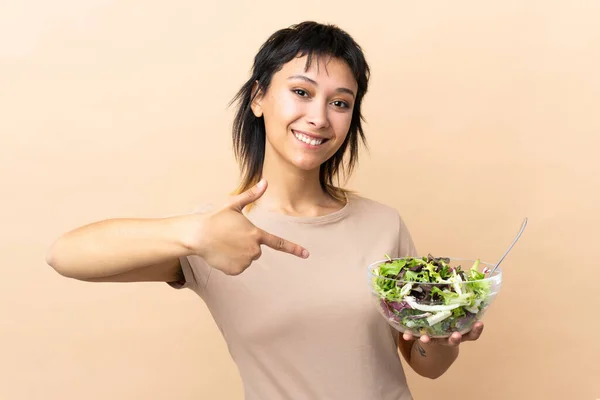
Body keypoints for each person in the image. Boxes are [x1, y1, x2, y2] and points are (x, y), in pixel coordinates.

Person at [46, 21, 484, 400]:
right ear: (258, 98)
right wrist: (194, 234)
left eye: (340, 102)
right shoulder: (217, 233)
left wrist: (443, 337)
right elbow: (64, 255)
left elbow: (425, 364)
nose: (318, 117)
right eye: (301, 92)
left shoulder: (383, 223)